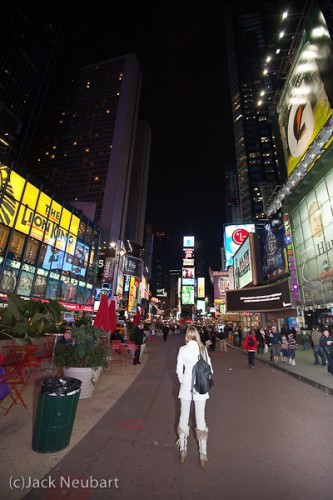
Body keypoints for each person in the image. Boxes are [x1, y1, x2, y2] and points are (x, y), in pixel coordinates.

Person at [176, 325, 213, 467]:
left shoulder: (182, 349)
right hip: (201, 388)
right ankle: (203, 452)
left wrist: (184, 380)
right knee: (200, 418)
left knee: (183, 416)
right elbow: (210, 369)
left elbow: (179, 370)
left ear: (186, 335)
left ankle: (183, 449)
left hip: (186, 387)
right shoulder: (202, 349)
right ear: (197, 335)